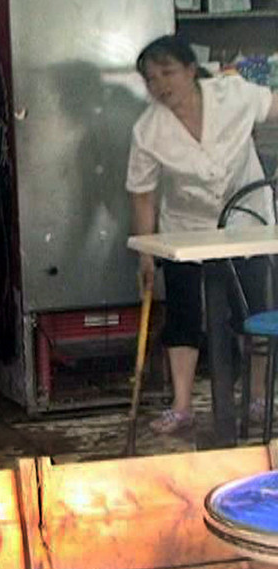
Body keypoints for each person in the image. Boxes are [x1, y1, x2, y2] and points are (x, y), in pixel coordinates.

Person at [127, 35, 278, 434]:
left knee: (253, 311)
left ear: (192, 70)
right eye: (151, 79)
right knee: (184, 315)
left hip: (246, 223)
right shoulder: (148, 130)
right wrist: (146, 253)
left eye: (168, 72)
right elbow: (142, 193)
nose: (161, 85)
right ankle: (182, 406)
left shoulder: (233, 95)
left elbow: (273, 107)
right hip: (186, 231)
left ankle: (260, 396)